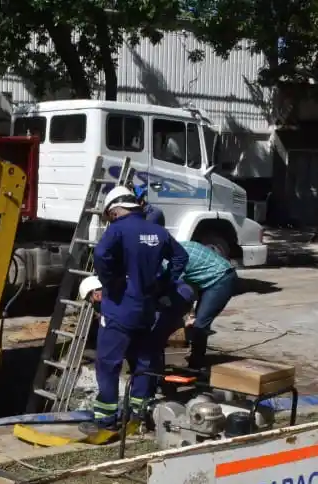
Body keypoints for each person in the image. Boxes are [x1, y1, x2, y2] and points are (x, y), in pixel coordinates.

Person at [85, 185, 190, 433]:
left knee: (108, 364)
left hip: (119, 308)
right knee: (143, 361)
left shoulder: (118, 230)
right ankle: (139, 415)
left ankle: (106, 419)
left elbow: (100, 254)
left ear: (114, 211)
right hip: (146, 309)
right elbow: (180, 258)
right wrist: (163, 284)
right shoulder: (157, 231)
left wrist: (111, 282)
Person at [176, 240, 238, 369]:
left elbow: (181, 291)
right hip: (209, 276)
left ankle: (196, 367)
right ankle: (196, 359)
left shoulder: (171, 260)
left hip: (221, 279)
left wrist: (187, 314)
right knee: (195, 322)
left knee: (200, 325)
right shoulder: (181, 244)